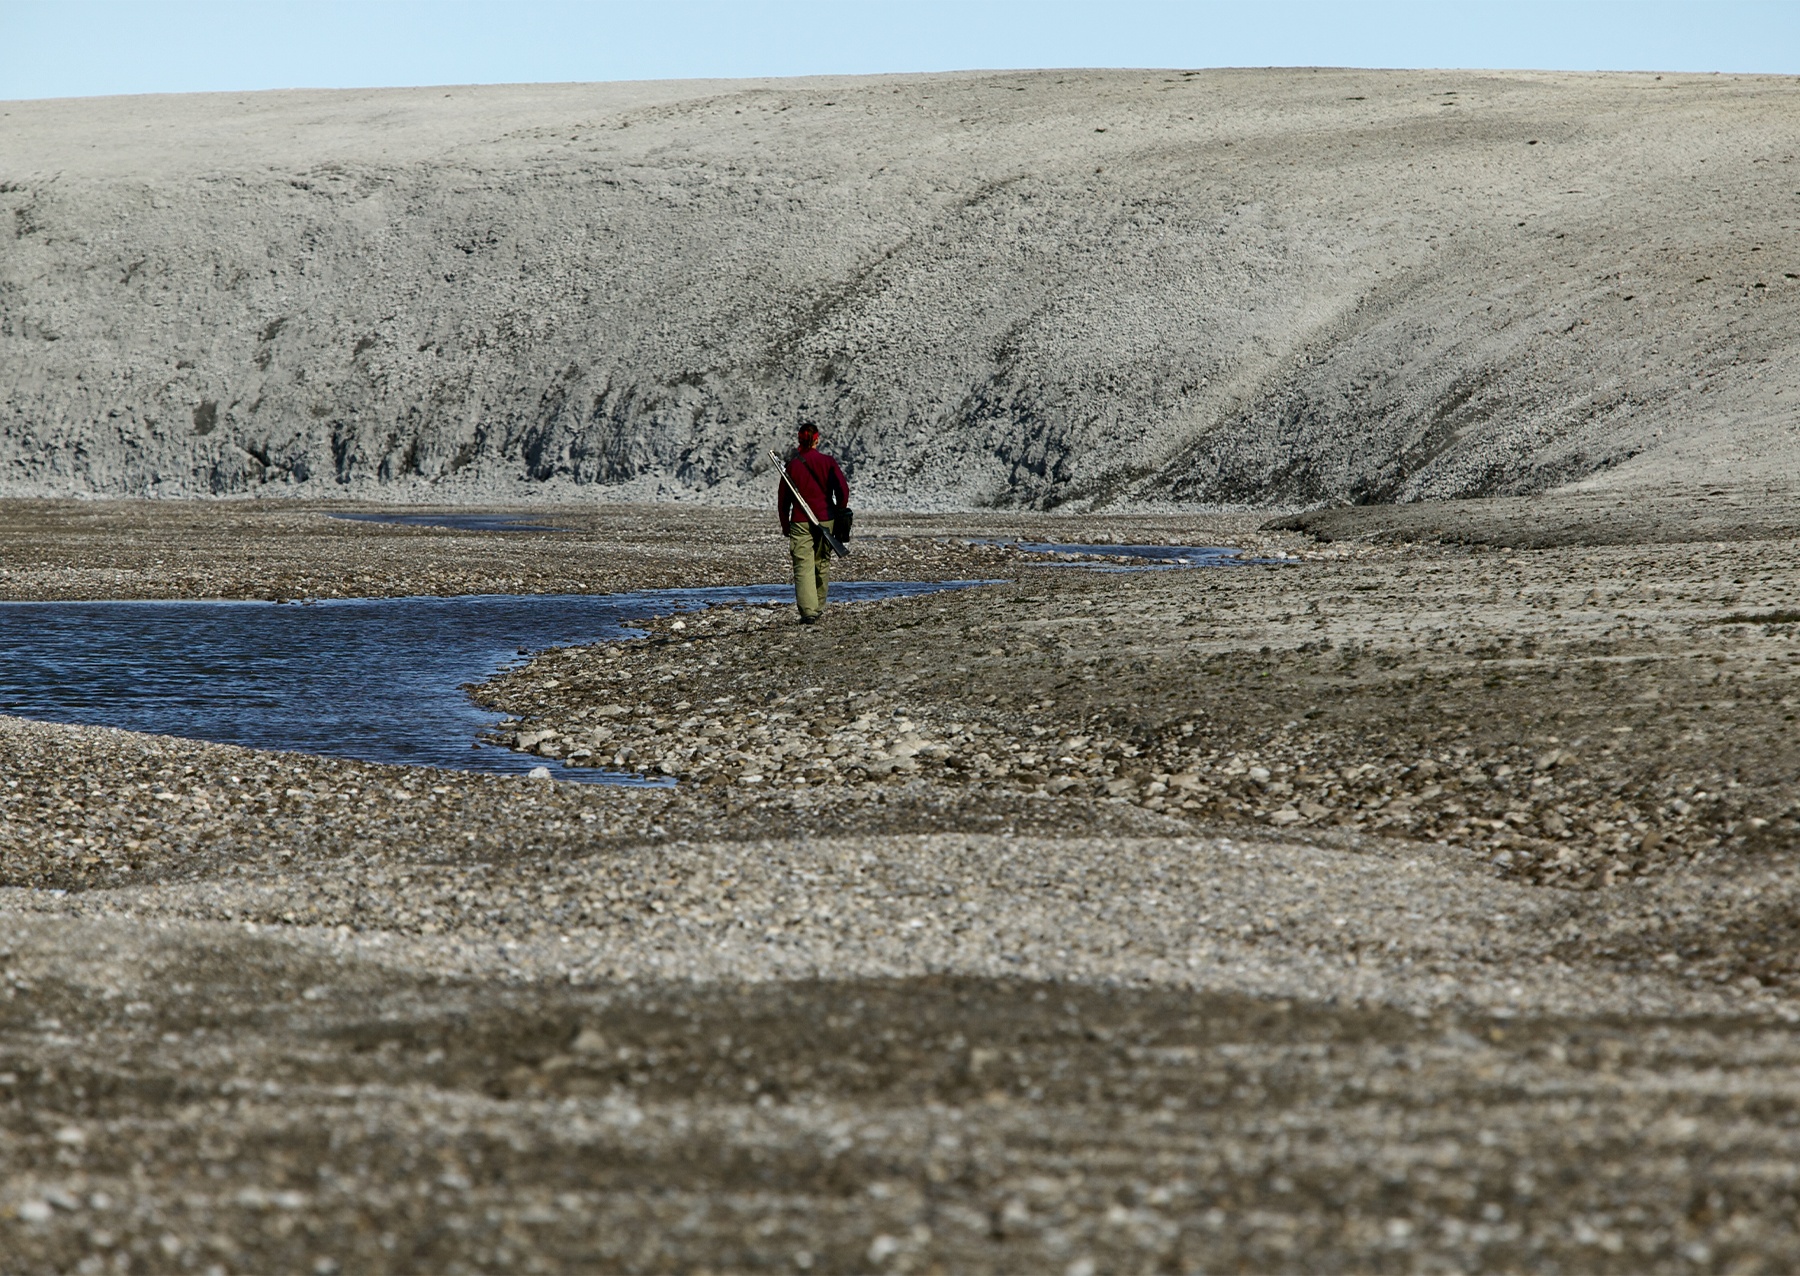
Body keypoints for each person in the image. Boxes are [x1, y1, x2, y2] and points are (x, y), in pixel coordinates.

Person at [777, 419, 849, 624]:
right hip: (826, 519)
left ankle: (808, 613)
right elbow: (843, 491)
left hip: (799, 522)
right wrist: (839, 510)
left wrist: (785, 525)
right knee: (822, 563)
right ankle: (817, 607)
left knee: (803, 566)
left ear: (800, 440)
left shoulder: (792, 465)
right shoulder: (828, 462)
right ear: (817, 440)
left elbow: (783, 500)